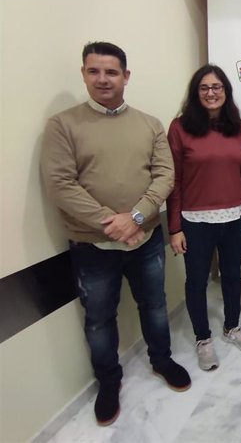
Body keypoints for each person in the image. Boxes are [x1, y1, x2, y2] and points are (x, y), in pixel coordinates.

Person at [40, 41, 191, 427]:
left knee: (155, 305)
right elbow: (60, 185)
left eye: (111, 72)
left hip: (146, 241)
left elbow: (165, 175)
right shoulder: (63, 125)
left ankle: (162, 359)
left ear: (126, 76)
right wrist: (114, 221)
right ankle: (108, 381)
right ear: (84, 74)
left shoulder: (149, 124)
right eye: (94, 71)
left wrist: (137, 217)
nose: (103, 79)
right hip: (92, 245)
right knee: (99, 319)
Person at [167, 65, 241, 371]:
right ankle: (203, 339)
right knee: (196, 281)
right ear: (196, 93)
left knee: (232, 275)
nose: (211, 93)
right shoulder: (180, 128)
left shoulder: (238, 127)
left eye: (217, 87)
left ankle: (231, 327)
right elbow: (175, 182)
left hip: (234, 217)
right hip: (195, 222)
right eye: (204, 88)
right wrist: (175, 228)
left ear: (226, 91)